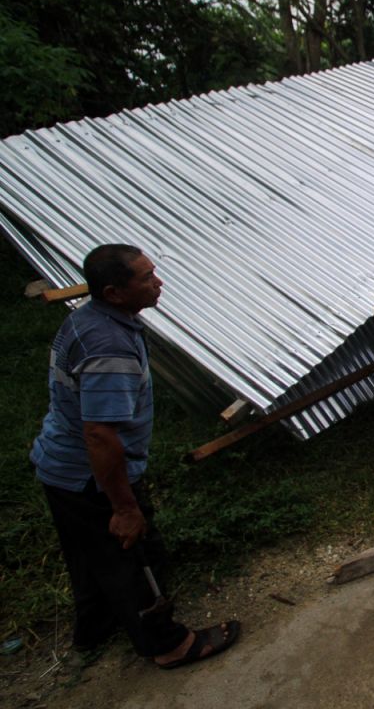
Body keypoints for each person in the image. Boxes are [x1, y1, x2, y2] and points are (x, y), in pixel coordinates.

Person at [29, 244, 240, 668]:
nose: (157, 283)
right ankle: (167, 644)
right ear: (114, 292)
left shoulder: (87, 320)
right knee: (137, 557)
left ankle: (95, 628)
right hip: (90, 475)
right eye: (145, 278)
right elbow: (100, 435)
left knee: (91, 556)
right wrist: (123, 505)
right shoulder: (108, 346)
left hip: (59, 468)